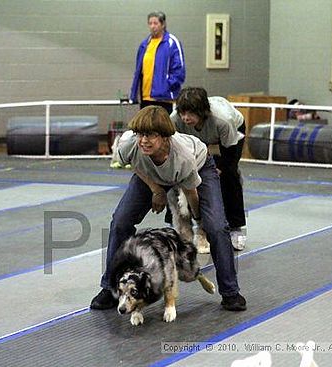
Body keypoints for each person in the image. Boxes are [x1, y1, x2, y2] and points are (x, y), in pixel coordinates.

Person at [90, 105, 246, 311]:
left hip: (200, 166)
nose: (144, 140)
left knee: (217, 227)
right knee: (120, 222)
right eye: (141, 134)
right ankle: (110, 288)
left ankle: (230, 292)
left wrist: (200, 220)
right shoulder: (131, 144)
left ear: (165, 138)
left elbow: (191, 192)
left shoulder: (183, 157)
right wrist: (156, 190)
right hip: (152, 176)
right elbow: (133, 163)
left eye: (151, 135)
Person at [169, 87, 247, 250]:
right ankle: (178, 225)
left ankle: (236, 227)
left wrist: (219, 169)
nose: (185, 118)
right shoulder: (175, 120)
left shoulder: (223, 120)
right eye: (182, 113)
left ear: (202, 111)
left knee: (229, 177)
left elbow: (230, 155)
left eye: (190, 114)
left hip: (230, 135)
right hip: (194, 141)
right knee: (176, 179)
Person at [129, 11, 186, 114]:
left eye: (155, 23)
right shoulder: (144, 44)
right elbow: (138, 71)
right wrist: (135, 93)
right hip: (145, 98)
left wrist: (167, 86)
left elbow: (179, 70)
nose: (152, 26)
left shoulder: (172, 43)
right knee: (146, 128)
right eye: (150, 23)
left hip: (164, 98)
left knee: (163, 128)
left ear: (163, 24)